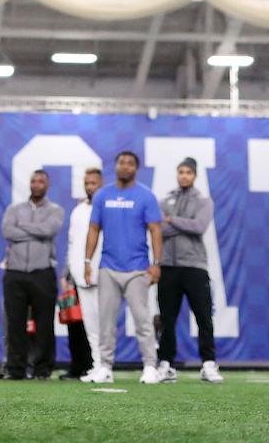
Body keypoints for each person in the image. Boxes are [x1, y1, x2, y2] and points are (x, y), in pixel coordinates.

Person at [84, 151, 164, 384]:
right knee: (106, 321)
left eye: (130, 163)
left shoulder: (146, 196)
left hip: (138, 268)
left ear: (136, 169)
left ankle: (150, 366)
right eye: (121, 162)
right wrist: (87, 261)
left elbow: (156, 230)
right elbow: (93, 230)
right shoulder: (102, 195)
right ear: (116, 166)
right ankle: (105, 367)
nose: (125, 166)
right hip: (108, 267)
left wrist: (156, 264)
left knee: (143, 320)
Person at [155, 157, 222, 383]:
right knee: (167, 319)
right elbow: (158, 229)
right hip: (168, 266)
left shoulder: (203, 200)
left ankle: (208, 364)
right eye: (181, 171)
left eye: (188, 172)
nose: (184, 176)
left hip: (194, 266)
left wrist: (172, 219)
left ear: (194, 175)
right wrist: (181, 223)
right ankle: (166, 364)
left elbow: (199, 226)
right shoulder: (165, 198)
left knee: (204, 317)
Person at [2, 169, 64, 380]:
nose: (36, 184)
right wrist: (35, 230)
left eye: (41, 181)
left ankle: (42, 369)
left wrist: (24, 227)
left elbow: (49, 230)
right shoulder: (14, 208)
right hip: (15, 272)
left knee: (44, 323)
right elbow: (7, 231)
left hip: (42, 272)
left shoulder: (56, 210)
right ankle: (16, 369)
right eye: (33, 181)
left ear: (47, 186)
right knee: (15, 322)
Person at [64, 167, 103, 381]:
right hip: (81, 274)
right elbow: (72, 243)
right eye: (87, 184)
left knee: (104, 322)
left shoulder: (106, 206)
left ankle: (105, 364)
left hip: (103, 272)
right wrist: (70, 272)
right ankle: (97, 365)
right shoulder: (78, 210)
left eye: (94, 183)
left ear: (101, 184)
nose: (90, 187)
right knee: (89, 322)